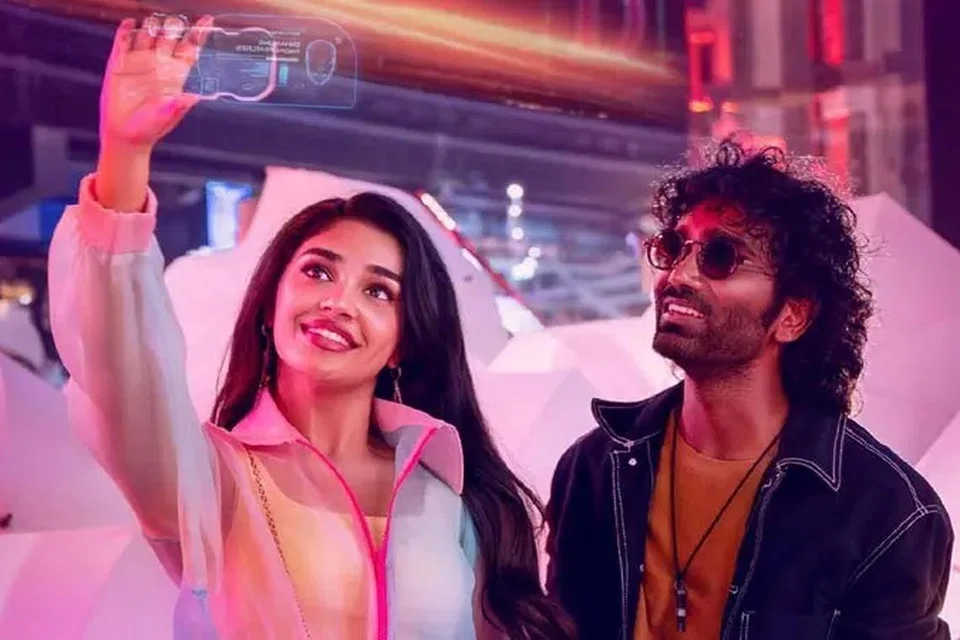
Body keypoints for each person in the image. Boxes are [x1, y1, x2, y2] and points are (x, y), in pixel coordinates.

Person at [48, 15, 574, 639]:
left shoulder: (449, 498)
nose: (339, 302)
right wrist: (125, 155)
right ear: (269, 303)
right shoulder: (207, 480)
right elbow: (124, 367)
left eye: (378, 291)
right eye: (318, 272)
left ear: (404, 341)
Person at [545, 139, 954, 640]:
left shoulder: (887, 512)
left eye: (721, 256)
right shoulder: (595, 467)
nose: (678, 275)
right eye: (674, 248)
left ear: (792, 315)